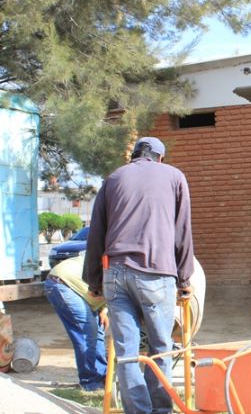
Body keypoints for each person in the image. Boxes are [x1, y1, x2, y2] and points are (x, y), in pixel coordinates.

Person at [83, 136, 194, 414]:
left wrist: (94, 281)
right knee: (160, 348)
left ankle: (139, 411)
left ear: (133, 156)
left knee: (127, 353)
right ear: (160, 157)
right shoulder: (175, 177)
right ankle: (161, 410)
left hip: (116, 275)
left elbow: (96, 233)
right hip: (156, 273)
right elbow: (182, 231)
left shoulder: (113, 179)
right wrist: (184, 278)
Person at [44, 256, 108, 391]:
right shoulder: (121, 264)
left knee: (98, 332)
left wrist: (103, 309)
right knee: (87, 334)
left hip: (81, 288)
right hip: (64, 283)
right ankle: (91, 383)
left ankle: (102, 377)